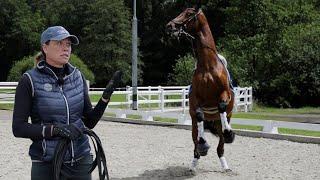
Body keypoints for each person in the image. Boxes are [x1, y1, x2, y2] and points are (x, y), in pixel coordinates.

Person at [12, 26, 122, 180]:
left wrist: (105, 98)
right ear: (45, 47)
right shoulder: (29, 80)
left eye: (68, 44)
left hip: (80, 159)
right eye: (59, 43)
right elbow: (18, 128)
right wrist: (56, 130)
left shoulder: (77, 76)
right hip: (46, 162)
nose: (66, 49)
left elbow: (89, 122)